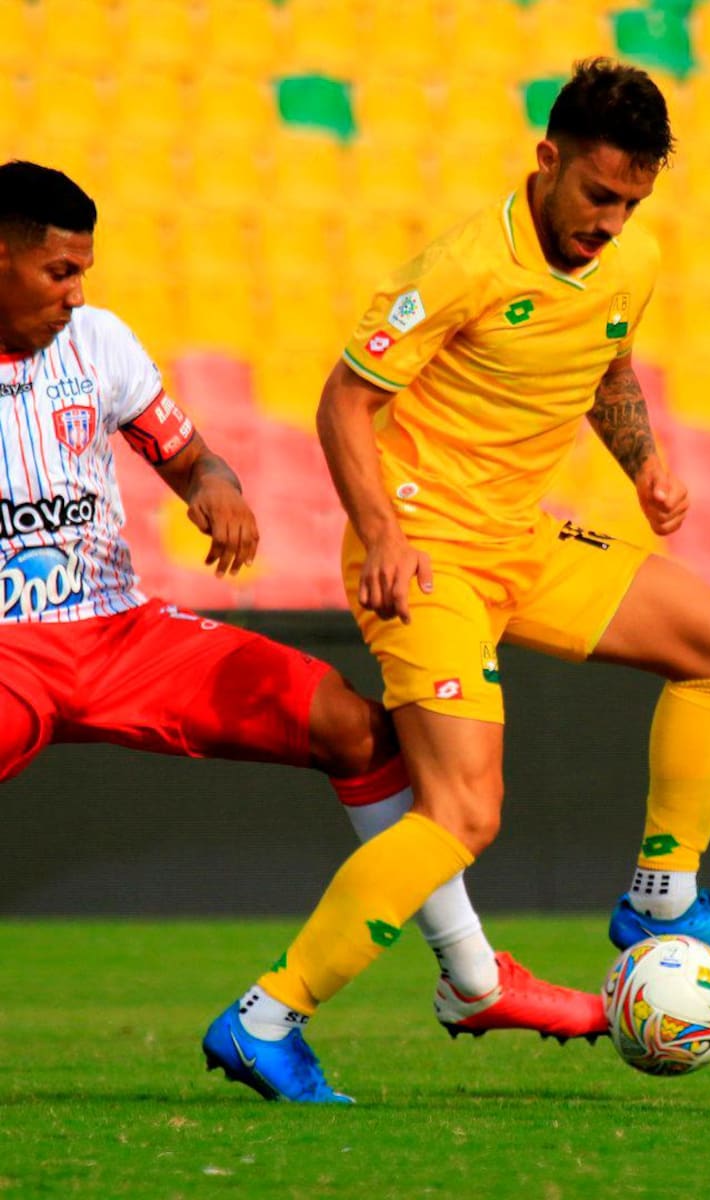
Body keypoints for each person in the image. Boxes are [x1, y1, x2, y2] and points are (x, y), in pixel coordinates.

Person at [205, 58, 710, 1102]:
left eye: (632, 202)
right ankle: (267, 1017)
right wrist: (382, 533)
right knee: (465, 812)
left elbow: (607, 365)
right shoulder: (466, 265)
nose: (610, 221)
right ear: (548, 159)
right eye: (598, 194)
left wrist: (644, 462)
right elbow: (342, 401)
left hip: (522, 539)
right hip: (425, 551)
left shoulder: (630, 261)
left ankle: (662, 896)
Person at [0, 159, 607, 1104]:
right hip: (10, 654)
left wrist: (215, 490)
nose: (77, 293)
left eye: (84, 271)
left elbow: (192, 456)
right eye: (59, 273)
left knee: (355, 730)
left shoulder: (100, 342)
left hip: (122, 635)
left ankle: (473, 978)